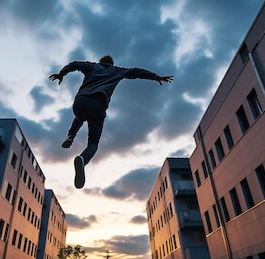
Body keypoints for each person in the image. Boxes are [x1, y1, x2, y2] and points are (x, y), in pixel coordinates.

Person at [49, 54, 173, 189]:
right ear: (112, 64)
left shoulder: (91, 66)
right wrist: (157, 77)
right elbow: (137, 72)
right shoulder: (117, 70)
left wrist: (61, 74)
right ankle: (83, 159)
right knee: (93, 143)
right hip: (98, 106)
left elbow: (75, 64)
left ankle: (71, 136)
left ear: (100, 61)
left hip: (80, 102)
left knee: (80, 116)